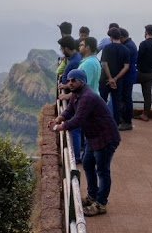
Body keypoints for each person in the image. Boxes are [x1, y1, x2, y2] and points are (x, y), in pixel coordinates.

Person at [48, 69, 121, 216]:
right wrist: (58, 119)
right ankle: (92, 196)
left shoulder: (87, 97)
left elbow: (78, 119)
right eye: (68, 81)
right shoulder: (77, 95)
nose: (70, 83)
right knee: (87, 163)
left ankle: (101, 203)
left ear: (83, 81)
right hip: (93, 137)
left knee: (102, 170)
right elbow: (69, 111)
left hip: (106, 138)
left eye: (73, 80)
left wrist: (59, 127)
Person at [56, 35, 82, 162]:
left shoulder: (75, 61)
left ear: (66, 48)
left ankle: (75, 157)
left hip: (74, 97)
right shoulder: (73, 58)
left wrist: (66, 90)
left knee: (75, 128)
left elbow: (78, 83)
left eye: (62, 48)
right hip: (72, 95)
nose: (61, 51)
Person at [99, 27, 130, 125]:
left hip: (105, 79)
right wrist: (115, 79)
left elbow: (104, 63)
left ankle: (101, 121)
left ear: (111, 37)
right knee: (116, 102)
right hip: (118, 81)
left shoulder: (107, 48)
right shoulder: (126, 49)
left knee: (102, 100)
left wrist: (109, 78)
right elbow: (126, 67)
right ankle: (115, 123)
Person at [136, 24, 152, 121]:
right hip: (150, 73)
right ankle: (145, 114)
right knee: (147, 94)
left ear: (146, 32)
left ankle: (124, 112)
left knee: (126, 87)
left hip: (140, 72)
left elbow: (138, 58)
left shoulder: (143, 44)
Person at [118, 28, 138, 131]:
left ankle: (127, 121)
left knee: (126, 99)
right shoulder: (129, 44)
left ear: (122, 37)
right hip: (128, 75)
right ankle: (123, 120)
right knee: (124, 98)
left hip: (127, 76)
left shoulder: (128, 47)